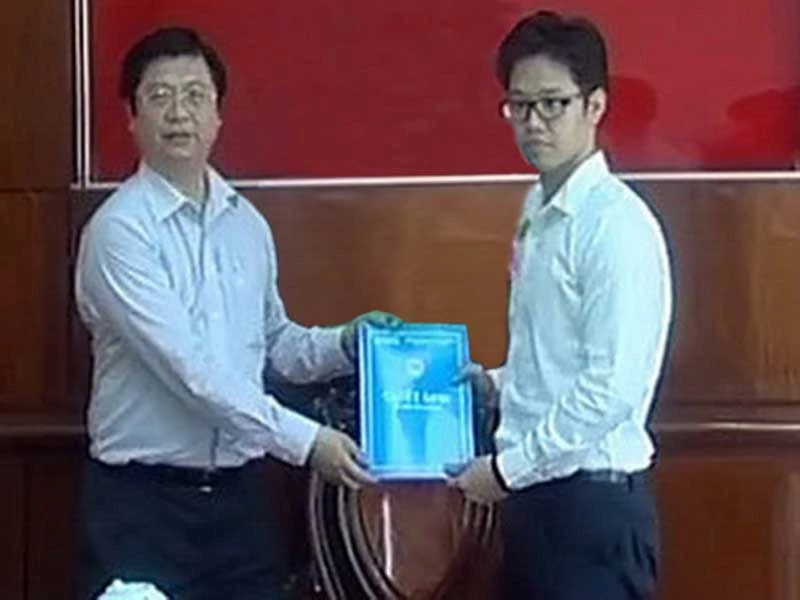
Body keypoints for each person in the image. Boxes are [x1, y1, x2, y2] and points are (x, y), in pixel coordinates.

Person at [74, 26, 399, 600]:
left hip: (240, 508)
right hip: (143, 508)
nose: (179, 112)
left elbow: (277, 346)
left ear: (218, 115)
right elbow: (192, 374)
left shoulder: (246, 225)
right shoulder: (119, 232)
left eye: (195, 95)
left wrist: (347, 343)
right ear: (131, 116)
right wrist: (308, 443)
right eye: (160, 95)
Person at [449, 11, 673, 600]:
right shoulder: (538, 209)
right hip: (537, 501)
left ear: (595, 105)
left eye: (552, 104)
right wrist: (495, 383)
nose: (533, 122)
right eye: (519, 105)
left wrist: (506, 471)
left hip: (591, 507)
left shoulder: (615, 226)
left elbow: (609, 388)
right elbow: (552, 352)